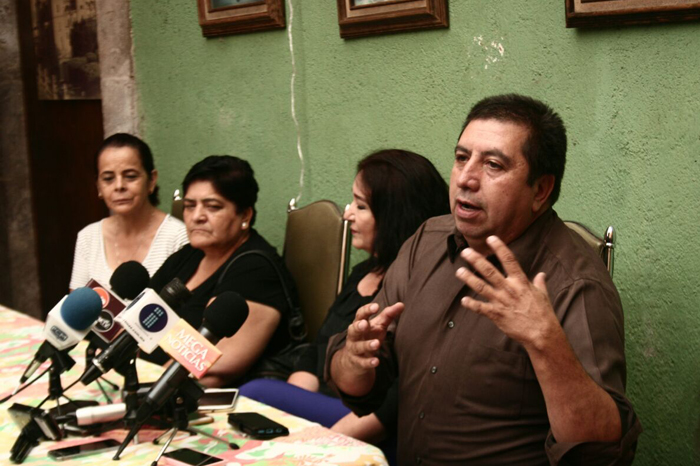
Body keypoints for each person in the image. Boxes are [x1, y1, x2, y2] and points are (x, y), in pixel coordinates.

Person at [327, 94, 642, 465]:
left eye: (493, 165)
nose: (466, 179)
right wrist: (354, 360)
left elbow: (601, 452)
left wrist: (546, 344)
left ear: (540, 190)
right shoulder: (426, 241)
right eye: (462, 158)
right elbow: (358, 385)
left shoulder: (575, 283)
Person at [240, 149, 450, 453]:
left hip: (365, 425)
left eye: (361, 206)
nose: (348, 213)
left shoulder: (417, 288)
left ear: (395, 214)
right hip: (325, 408)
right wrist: (291, 413)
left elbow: (395, 404)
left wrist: (318, 442)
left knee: (255, 392)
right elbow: (317, 351)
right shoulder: (363, 272)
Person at [146, 155, 298, 388]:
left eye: (213, 207)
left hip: (197, 397)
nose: (197, 216)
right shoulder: (189, 254)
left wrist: (143, 386)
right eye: (190, 206)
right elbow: (138, 319)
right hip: (147, 381)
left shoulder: (256, 269)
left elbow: (210, 366)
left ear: (244, 216)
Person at [69, 133, 188, 291]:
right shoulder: (88, 238)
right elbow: (76, 304)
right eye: (108, 178)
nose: (119, 186)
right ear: (98, 186)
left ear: (151, 180)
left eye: (130, 176)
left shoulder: (178, 237)